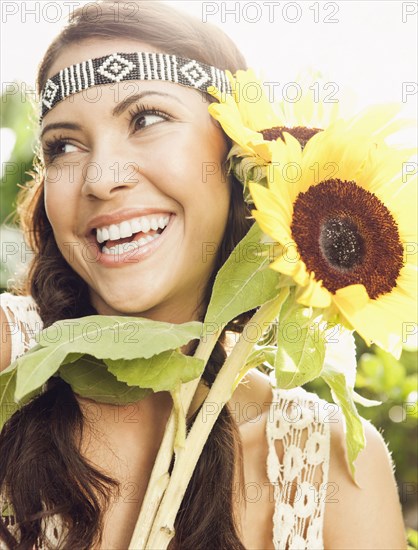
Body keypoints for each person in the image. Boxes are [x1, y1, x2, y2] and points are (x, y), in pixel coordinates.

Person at [0, 1, 407, 548]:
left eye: (146, 119)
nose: (100, 177)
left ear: (241, 154)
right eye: (63, 146)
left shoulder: (326, 465)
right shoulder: (12, 363)